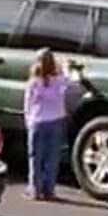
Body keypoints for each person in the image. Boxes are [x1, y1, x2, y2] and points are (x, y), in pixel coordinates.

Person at [23, 48, 70, 201]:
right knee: (52, 158)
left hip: (37, 121)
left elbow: (28, 104)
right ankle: (49, 189)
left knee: (35, 158)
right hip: (55, 121)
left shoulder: (33, 82)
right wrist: (65, 66)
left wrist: (28, 121)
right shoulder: (59, 81)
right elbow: (69, 80)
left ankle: (35, 189)